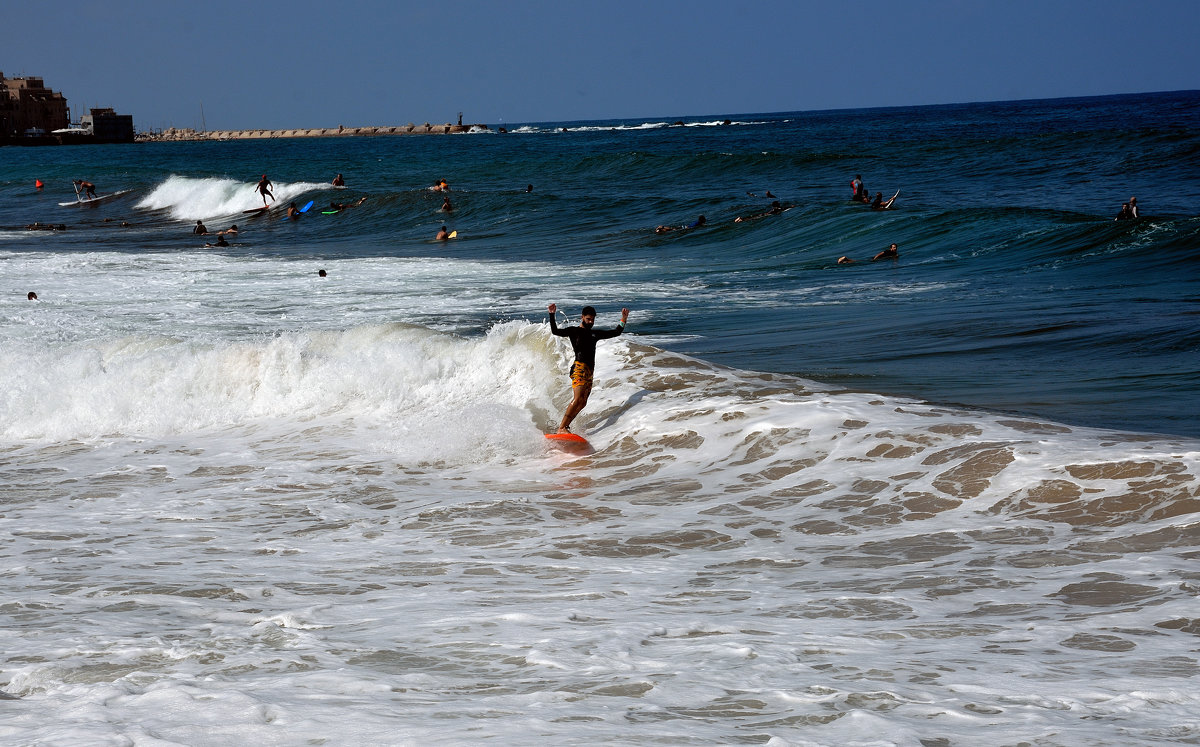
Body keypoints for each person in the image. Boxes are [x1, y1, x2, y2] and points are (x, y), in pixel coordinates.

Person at [547, 303, 630, 433]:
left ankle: (566, 426)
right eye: (588, 319)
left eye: (592, 319)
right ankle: (562, 427)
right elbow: (555, 331)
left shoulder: (594, 334)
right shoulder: (574, 331)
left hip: (590, 371)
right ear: (582, 317)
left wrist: (623, 319)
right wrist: (552, 314)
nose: (591, 322)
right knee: (578, 398)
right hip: (579, 367)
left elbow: (616, 332)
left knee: (583, 402)